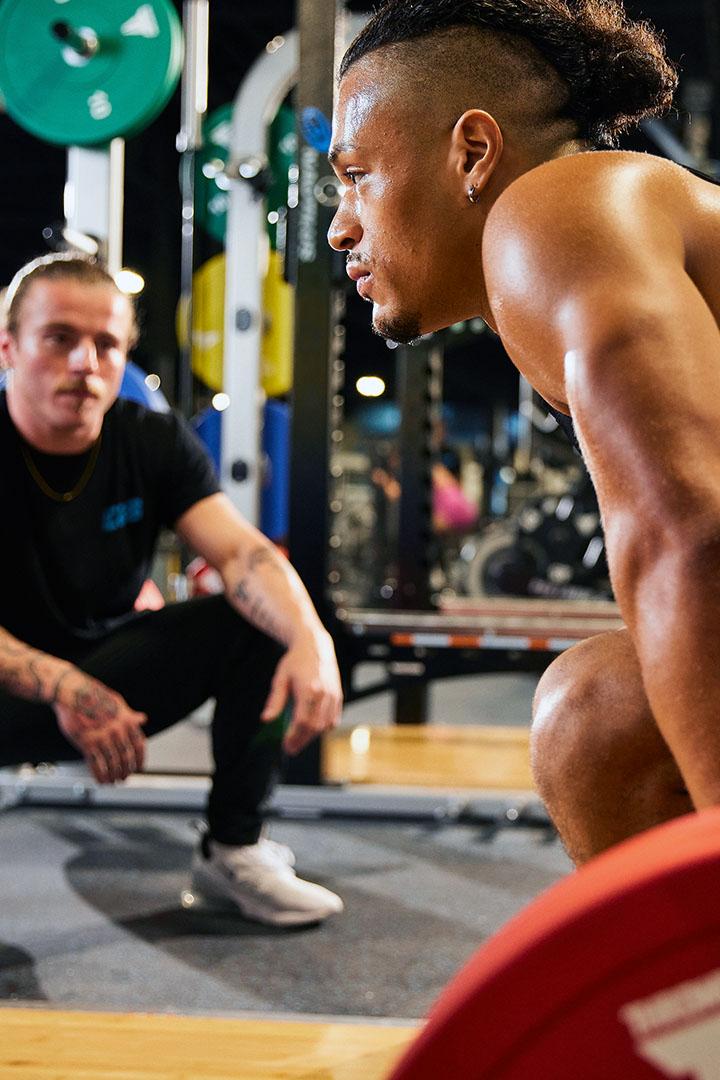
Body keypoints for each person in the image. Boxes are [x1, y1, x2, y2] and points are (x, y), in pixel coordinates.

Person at [327, 0, 720, 866]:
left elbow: (685, 534)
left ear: (472, 151)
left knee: (589, 717)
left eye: (355, 173)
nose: (339, 224)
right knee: (605, 719)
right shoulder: (598, 224)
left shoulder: (550, 214)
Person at [0, 253, 344, 926]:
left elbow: (243, 554)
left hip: (108, 684)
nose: (84, 364)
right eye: (60, 338)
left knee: (261, 623)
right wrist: (64, 687)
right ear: (8, 346)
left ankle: (233, 851)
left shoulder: (150, 441)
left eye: (105, 344)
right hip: (17, 688)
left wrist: (310, 638)